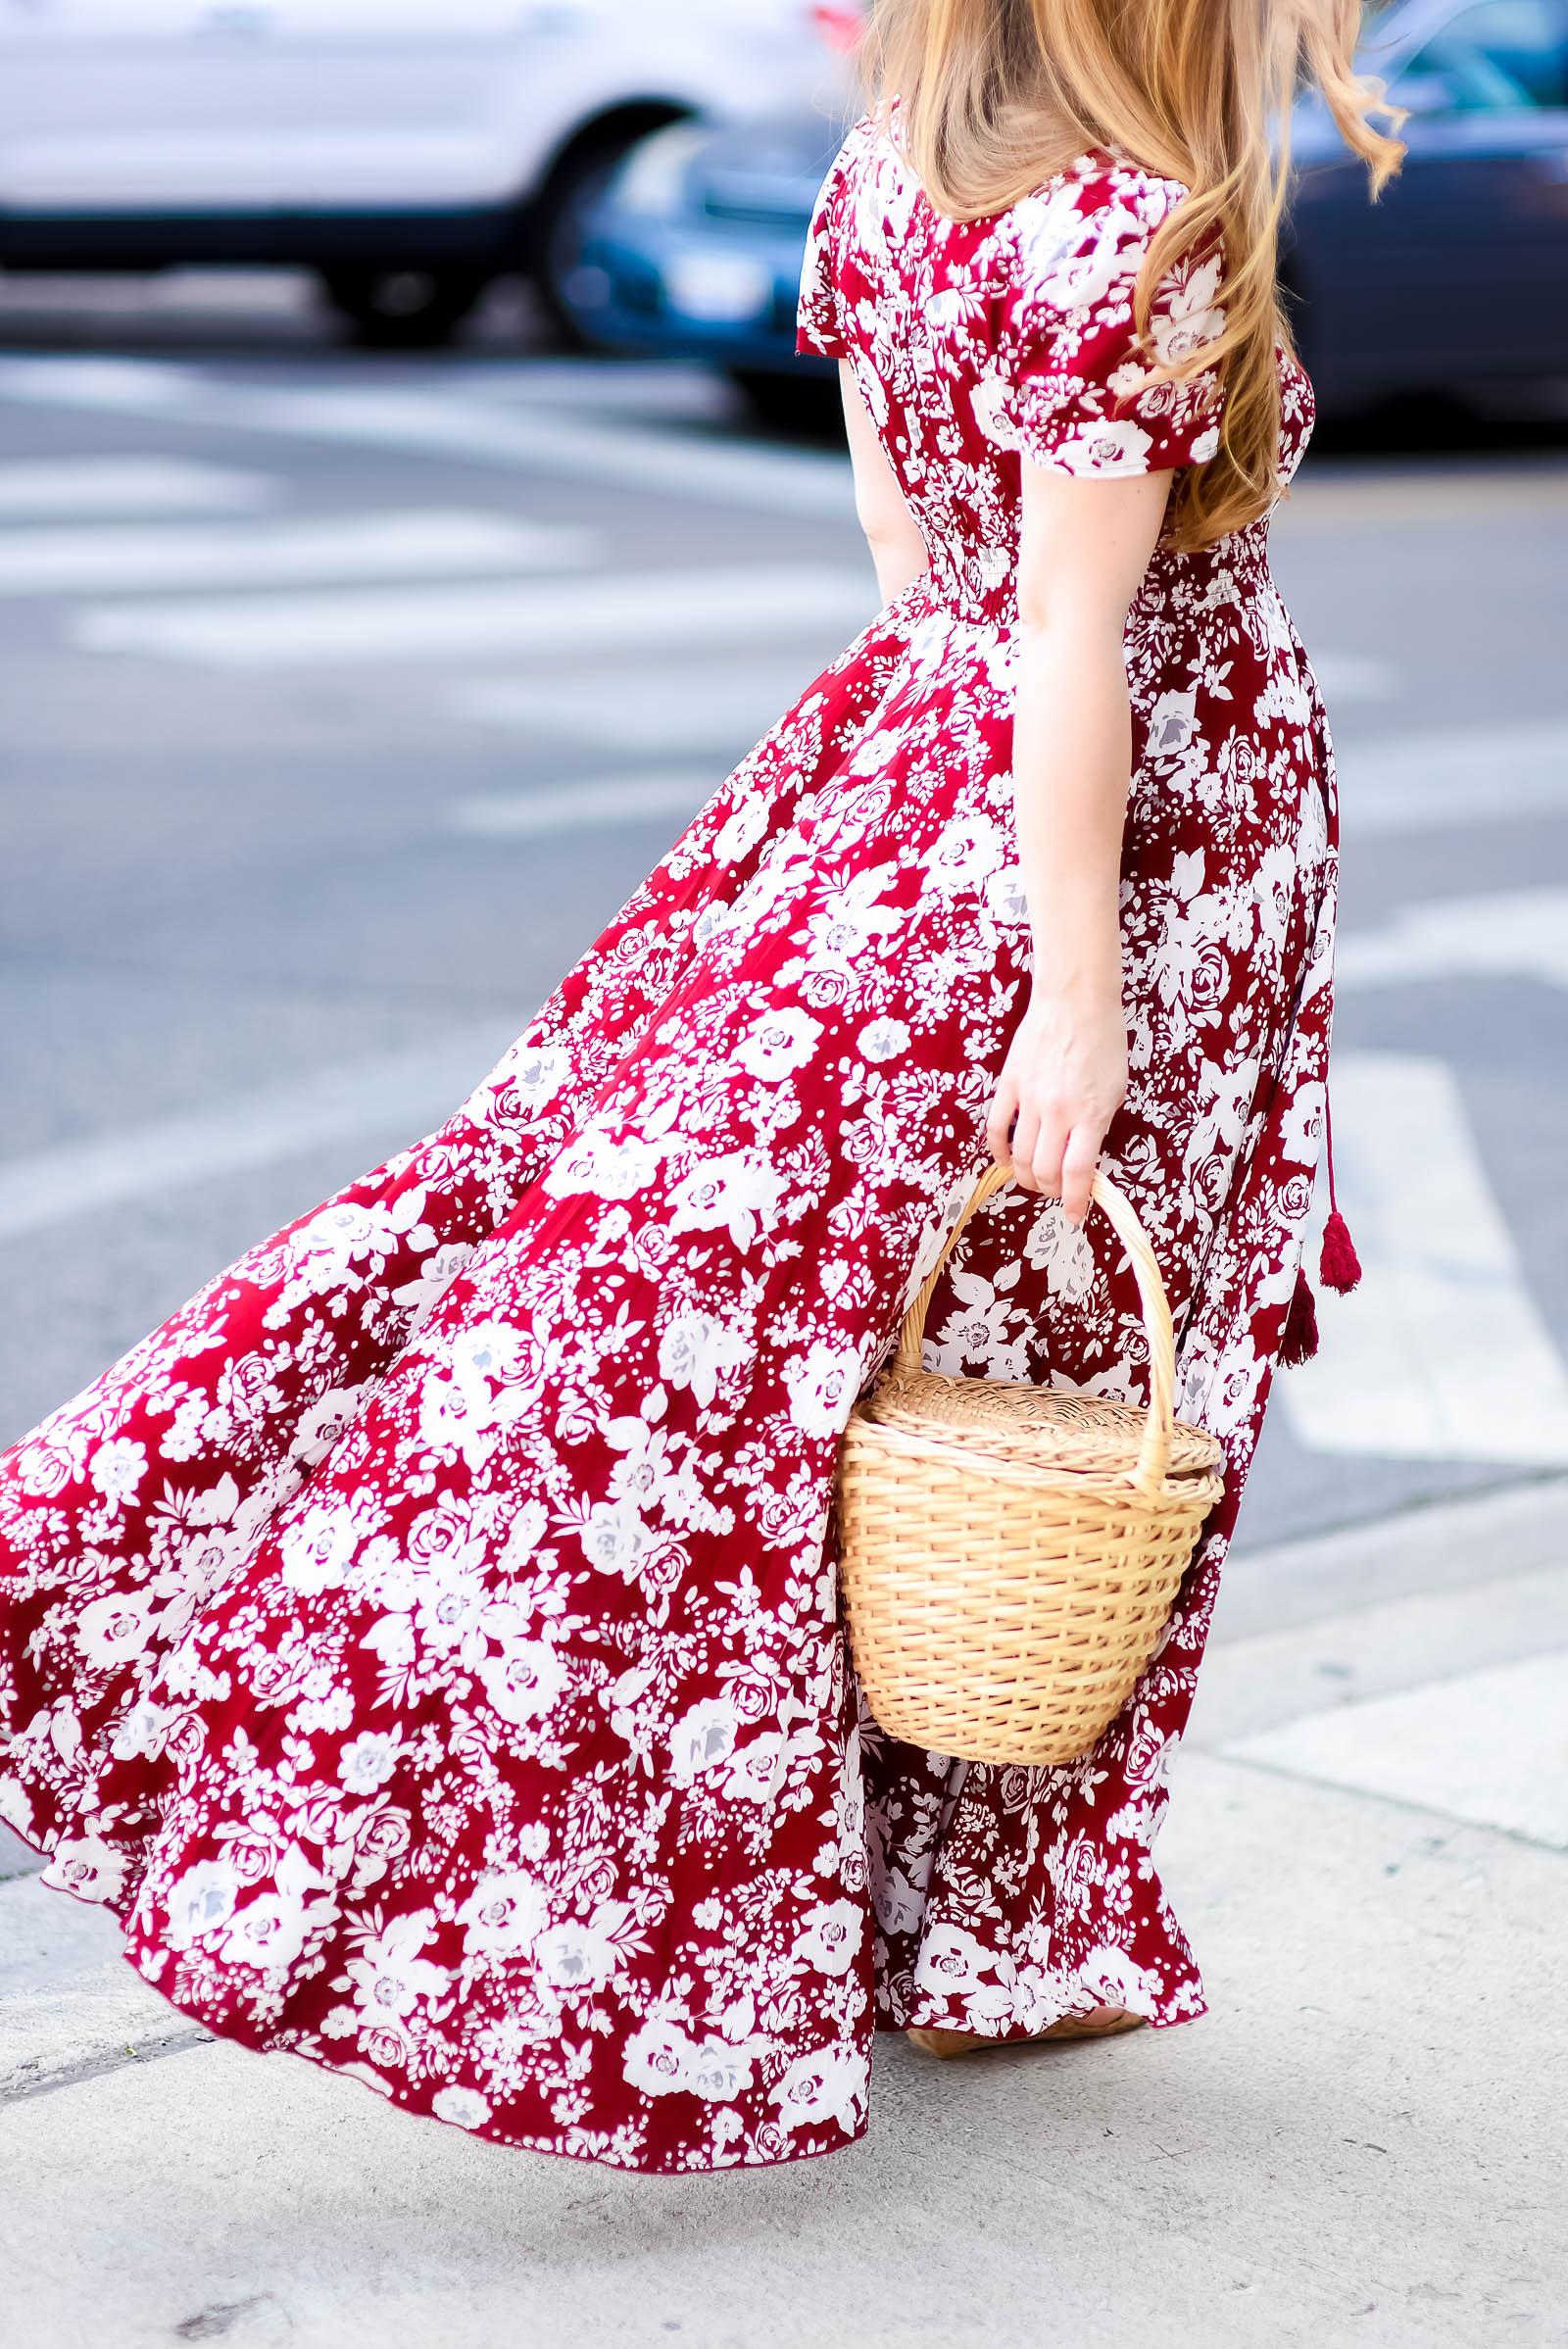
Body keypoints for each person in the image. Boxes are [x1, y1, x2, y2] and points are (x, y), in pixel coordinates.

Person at [0, 0, 1400, 2176]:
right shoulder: (1128, 240)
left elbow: (905, 563)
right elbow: (1072, 642)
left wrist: (907, 830)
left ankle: (132, 1576)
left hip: (888, 784)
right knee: (1047, 1376)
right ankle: (983, 1924)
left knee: (634, 1271)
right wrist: (1073, 989)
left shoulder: (886, 189)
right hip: (1121, 855)